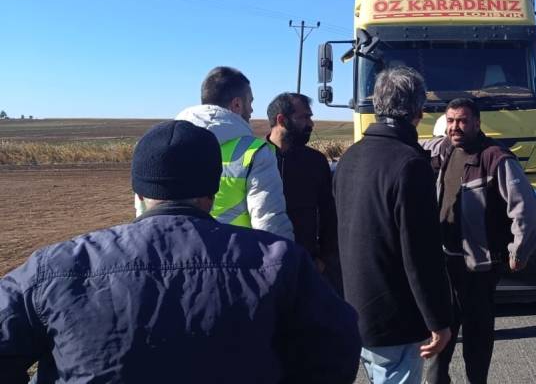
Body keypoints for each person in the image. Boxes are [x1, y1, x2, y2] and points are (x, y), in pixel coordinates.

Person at [0, 121, 360, 384]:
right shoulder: (278, 262)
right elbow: (337, 349)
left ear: (138, 192)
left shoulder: (56, 268)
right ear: (214, 189)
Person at [334, 67, 454, 383]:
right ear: (418, 111)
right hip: (395, 317)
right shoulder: (410, 164)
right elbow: (420, 253)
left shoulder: (350, 157)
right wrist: (438, 320)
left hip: (355, 308)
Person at [424, 98, 536, 384]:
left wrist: (519, 251)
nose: (455, 127)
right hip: (445, 263)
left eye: (462, 121)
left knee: (477, 340)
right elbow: (412, 148)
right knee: (441, 337)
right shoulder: (444, 150)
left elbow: (523, 208)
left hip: (479, 268)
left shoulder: (496, 157)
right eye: (450, 121)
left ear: (477, 122)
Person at [152, 66, 294, 239]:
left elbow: (147, 218)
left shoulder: (161, 148)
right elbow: (270, 224)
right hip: (238, 259)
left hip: (174, 256)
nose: (251, 110)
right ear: (236, 104)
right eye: (250, 102)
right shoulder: (255, 152)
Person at [266, 92, 341, 292]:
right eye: (304, 117)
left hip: (309, 265)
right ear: (281, 120)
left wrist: (324, 258)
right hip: (264, 265)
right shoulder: (257, 158)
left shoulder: (315, 161)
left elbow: (329, 213)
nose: (311, 124)